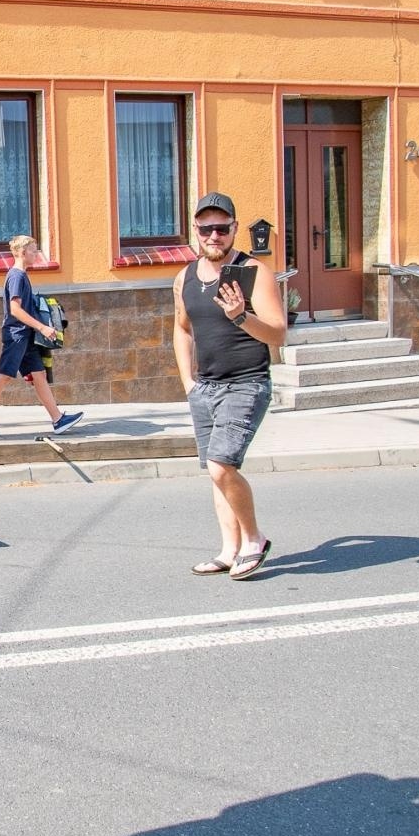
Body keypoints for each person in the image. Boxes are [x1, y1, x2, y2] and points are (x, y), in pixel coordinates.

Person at [173, 193, 287, 581]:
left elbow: (278, 334)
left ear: (235, 229)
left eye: (222, 228)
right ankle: (229, 550)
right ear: (196, 230)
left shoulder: (254, 272)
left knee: (222, 466)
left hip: (246, 384)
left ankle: (254, 539)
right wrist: (188, 382)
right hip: (205, 388)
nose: (214, 236)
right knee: (215, 471)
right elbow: (181, 328)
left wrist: (240, 316)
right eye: (206, 229)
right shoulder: (185, 277)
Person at [0, 235, 83, 439]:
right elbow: (15, 309)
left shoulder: (21, 275)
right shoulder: (17, 276)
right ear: (22, 253)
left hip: (26, 335)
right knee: (4, 375)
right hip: (17, 335)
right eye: (33, 250)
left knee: (39, 375)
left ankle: (58, 419)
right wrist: (42, 327)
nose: (36, 253)